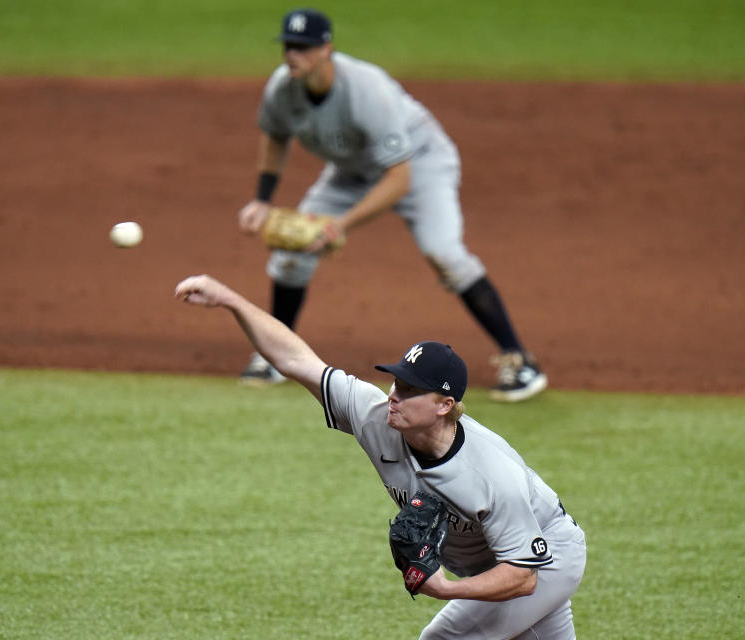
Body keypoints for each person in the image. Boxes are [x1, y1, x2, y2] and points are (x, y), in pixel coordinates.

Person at [175, 274, 587, 640]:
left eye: (409, 391)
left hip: (544, 560)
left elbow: (522, 577)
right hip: (502, 567)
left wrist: (443, 588)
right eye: (395, 383)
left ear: (444, 405)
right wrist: (231, 300)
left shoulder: (492, 474)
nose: (394, 396)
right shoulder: (376, 417)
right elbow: (295, 360)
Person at [235, 7, 547, 402]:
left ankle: (520, 360)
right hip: (352, 172)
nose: (293, 54)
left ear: (326, 48)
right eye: (288, 46)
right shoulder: (282, 88)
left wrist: (340, 224)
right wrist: (262, 199)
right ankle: (276, 356)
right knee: (292, 256)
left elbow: (399, 180)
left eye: (304, 47)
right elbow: (276, 135)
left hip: (420, 164)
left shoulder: (366, 90)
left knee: (444, 253)